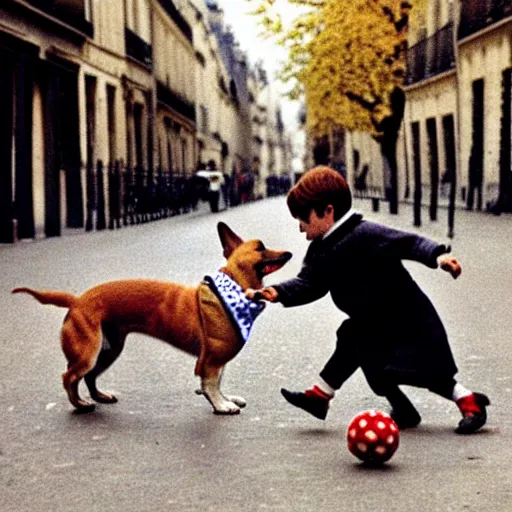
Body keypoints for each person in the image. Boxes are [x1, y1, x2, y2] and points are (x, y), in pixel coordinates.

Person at [246, 166, 490, 434]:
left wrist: (438, 257)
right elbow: (309, 284)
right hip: (372, 323)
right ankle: (327, 397)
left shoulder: (365, 234)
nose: (300, 225)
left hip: (408, 319)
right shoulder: (320, 249)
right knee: (360, 348)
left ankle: (469, 402)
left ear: (328, 211)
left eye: (304, 217)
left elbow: (407, 243)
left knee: (429, 372)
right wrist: (277, 292)